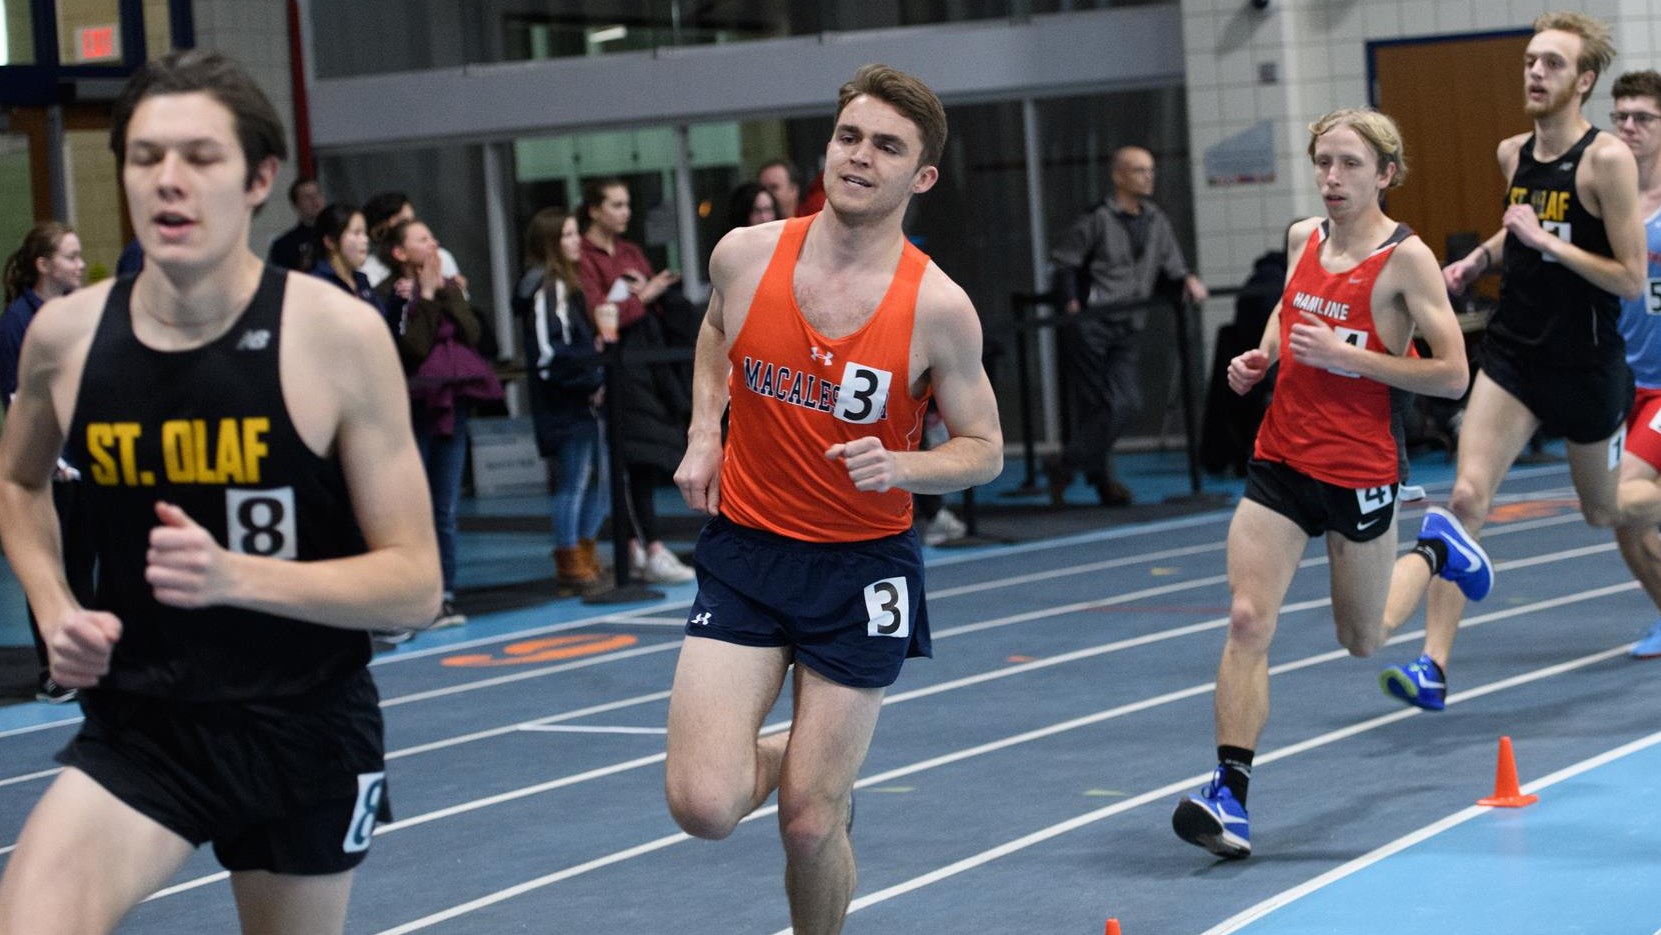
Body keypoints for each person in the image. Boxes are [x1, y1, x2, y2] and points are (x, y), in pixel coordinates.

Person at [0, 50, 441, 934]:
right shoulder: (66, 336)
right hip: (145, 724)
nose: (169, 179)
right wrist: (54, 606)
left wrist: (236, 576)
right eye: (145, 156)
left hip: (302, 726)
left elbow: (416, 585)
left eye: (200, 157)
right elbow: (17, 480)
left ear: (258, 179)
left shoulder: (337, 337)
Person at [668, 64, 1003, 932]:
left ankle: (821, 784)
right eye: (849, 136)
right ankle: (814, 759)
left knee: (809, 823)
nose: (859, 157)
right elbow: (716, 330)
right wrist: (705, 430)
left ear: (920, 177)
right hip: (747, 551)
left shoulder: (938, 307)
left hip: (861, 569)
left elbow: (984, 450)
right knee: (703, 805)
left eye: (886, 147)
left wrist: (903, 466)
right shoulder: (745, 255)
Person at [1171, 108, 1475, 860]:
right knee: (1247, 619)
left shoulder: (1406, 260)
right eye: (1323, 163)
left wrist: (1351, 357)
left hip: (1359, 470)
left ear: (1385, 174)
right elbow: (1289, 307)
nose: (1332, 178)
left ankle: (1435, 551)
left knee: (1361, 638)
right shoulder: (1302, 236)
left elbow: (1452, 374)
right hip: (1280, 460)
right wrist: (1264, 356)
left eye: (1349, 164)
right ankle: (1229, 797)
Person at [1379, 10, 1647, 709]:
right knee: (1465, 499)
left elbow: (1628, 276)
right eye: (1530, 60)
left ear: (1583, 80)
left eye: (1552, 63)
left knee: (1602, 511)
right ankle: (1432, 666)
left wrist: (1548, 242)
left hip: (1587, 365)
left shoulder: (1606, 160)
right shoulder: (1511, 153)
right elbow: (1521, 228)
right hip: (1514, 355)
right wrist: (1478, 257)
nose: (1535, 72)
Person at [1046, 145, 1209, 506]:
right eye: (1139, 170)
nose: (1148, 177)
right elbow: (1065, 263)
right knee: (1097, 405)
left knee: (1125, 403)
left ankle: (1064, 465)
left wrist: (1188, 280)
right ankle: (1103, 481)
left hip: (1129, 323)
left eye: (1151, 170)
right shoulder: (1097, 218)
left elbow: (1173, 266)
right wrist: (1072, 306)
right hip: (1092, 323)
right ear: (1118, 176)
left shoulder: (1156, 220)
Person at [379, 218, 501, 629]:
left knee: (444, 507)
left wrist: (448, 293)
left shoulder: (451, 286)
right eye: (422, 239)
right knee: (411, 509)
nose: (432, 243)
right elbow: (412, 347)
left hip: (453, 405)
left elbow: (473, 333)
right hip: (411, 409)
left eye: (433, 236)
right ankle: (412, 594)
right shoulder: (392, 293)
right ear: (399, 252)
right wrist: (426, 297)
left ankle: (444, 593)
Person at [577, 177, 695, 585]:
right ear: (594, 210)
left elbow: (644, 309)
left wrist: (646, 296)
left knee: (644, 460)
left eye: (627, 204)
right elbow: (599, 314)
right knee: (621, 465)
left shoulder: (630, 252)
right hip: (614, 372)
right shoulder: (585, 258)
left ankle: (646, 549)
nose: (625, 212)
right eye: (615, 204)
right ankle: (637, 549)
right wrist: (643, 297)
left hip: (646, 370)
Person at [1, 221, 90, 703]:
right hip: (49, 471)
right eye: (71, 256)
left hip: (85, 462)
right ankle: (54, 672)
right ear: (43, 265)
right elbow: (19, 399)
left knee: (82, 566)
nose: (80, 264)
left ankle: (88, 661)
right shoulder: (18, 322)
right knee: (49, 569)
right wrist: (50, 457)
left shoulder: (76, 314)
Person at [515, 207, 611, 591]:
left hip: (583, 398)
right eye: (568, 235)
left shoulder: (567, 286)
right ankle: (569, 559)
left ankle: (585, 552)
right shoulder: (547, 288)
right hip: (565, 402)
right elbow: (547, 354)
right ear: (551, 243)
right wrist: (589, 377)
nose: (576, 242)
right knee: (574, 482)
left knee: (600, 482)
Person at [1606, 70, 1661, 658]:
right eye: (1620, 117)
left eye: (1642, 117)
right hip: (1621, 385)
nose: (1629, 127)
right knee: (1625, 525)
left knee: (1619, 496)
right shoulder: (1607, 203)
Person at [360, 190, 465, 291]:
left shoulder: (439, 257)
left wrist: (449, 288)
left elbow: (461, 299)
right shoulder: (367, 273)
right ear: (378, 231)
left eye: (413, 220)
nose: (413, 228)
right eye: (404, 223)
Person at [309, 202, 390, 331]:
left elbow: (383, 326)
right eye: (357, 233)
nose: (365, 240)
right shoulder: (316, 284)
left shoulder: (361, 280)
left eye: (365, 233)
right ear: (330, 241)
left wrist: (399, 301)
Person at [267, 175, 325, 272]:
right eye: (307, 197)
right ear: (296, 205)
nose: (314, 199)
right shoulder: (284, 246)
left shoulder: (340, 234)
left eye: (317, 194)